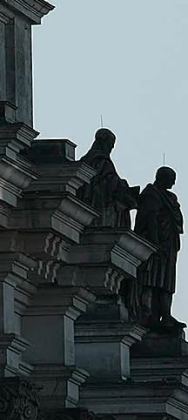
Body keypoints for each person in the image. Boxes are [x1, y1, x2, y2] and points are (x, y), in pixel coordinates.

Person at [133, 166, 184, 333]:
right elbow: (150, 219)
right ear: (163, 177)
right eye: (172, 178)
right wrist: (155, 243)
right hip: (154, 245)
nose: (174, 182)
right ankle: (147, 311)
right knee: (150, 278)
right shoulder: (152, 194)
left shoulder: (171, 197)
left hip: (169, 246)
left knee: (166, 281)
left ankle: (166, 313)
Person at [77, 128, 139, 232]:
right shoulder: (100, 160)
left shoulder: (88, 159)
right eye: (110, 143)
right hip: (100, 202)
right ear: (102, 142)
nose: (112, 147)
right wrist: (123, 185)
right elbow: (107, 181)